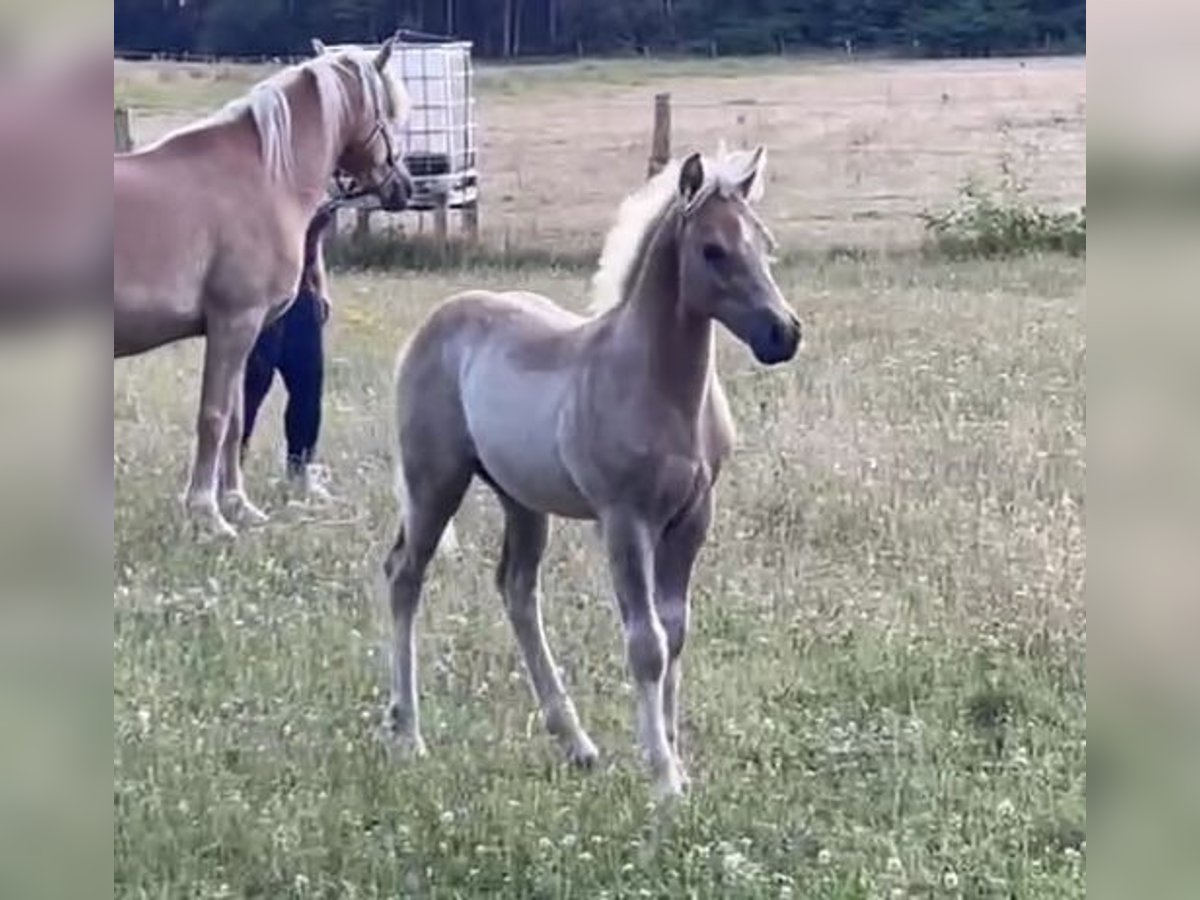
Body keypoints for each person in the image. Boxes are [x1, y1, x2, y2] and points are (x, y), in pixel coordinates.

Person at [240, 202, 338, 501]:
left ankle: (300, 471)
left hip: (303, 296)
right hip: (265, 296)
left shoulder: (315, 188)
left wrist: (321, 287)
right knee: (251, 388)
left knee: (308, 389)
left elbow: (312, 242)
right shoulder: (264, 183)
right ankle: (228, 471)